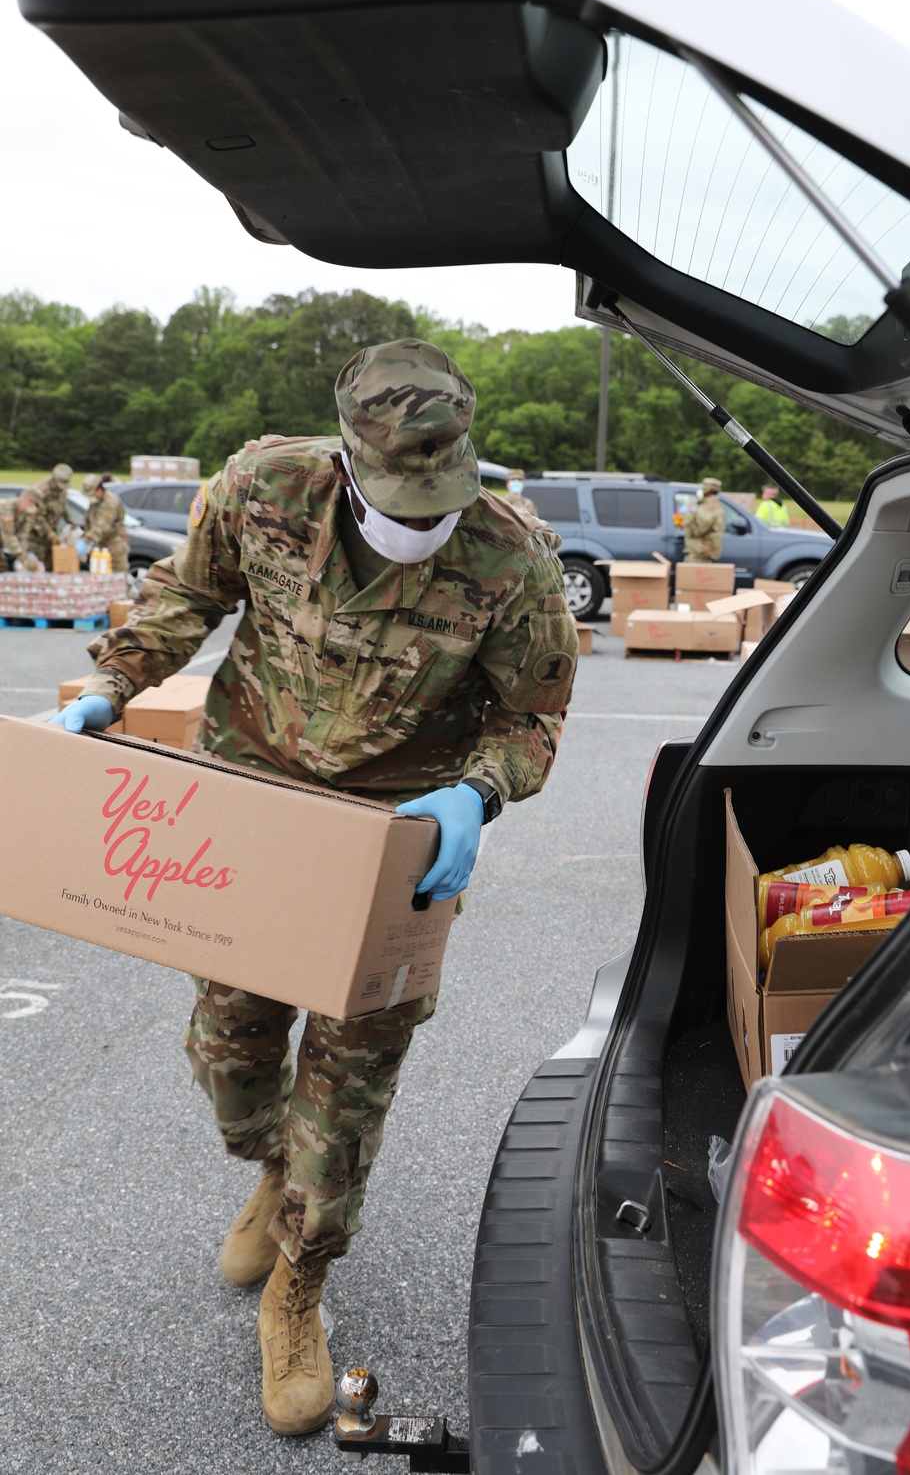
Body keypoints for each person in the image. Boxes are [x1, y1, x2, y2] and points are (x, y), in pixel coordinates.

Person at [50, 339, 578, 1438]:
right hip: (252, 820)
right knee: (231, 1057)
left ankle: (300, 1282)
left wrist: (478, 794)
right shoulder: (260, 488)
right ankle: (268, 1172)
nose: (423, 514)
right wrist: (109, 687)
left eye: (440, 493)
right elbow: (187, 596)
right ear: (346, 456)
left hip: (394, 845)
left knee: (345, 1098)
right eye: (400, 493)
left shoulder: (509, 554)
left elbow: (530, 715)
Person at [13, 462, 73, 569]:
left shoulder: (62, 490)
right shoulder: (41, 490)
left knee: (52, 568)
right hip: (37, 538)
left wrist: (70, 520)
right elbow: (37, 516)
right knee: (38, 569)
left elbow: (63, 506)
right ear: (54, 479)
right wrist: (50, 534)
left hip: (52, 537)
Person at [80, 474, 130, 571]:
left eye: (92, 494)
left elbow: (101, 527)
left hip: (115, 549)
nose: (91, 497)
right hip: (100, 549)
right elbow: (90, 523)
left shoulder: (111, 502)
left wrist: (85, 540)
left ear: (99, 490)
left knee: (118, 579)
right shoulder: (95, 502)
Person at [683, 475, 726, 562]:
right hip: (703, 552)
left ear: (709, 491)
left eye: (703, 489)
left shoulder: (709, 508)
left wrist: (687, 517)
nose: (701, 491)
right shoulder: (713, 506)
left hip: (700, 553)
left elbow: (698, 530)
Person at [0, 496, 43, 571]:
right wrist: (24, 559)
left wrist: (26, 555)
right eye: (30, 502)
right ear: (23, 499)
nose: (31, 506)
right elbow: (9, 536)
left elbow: (22, 536)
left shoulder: (24, 513)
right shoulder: (7, 508)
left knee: (3, 568)